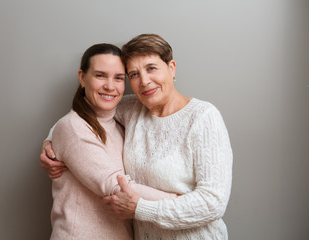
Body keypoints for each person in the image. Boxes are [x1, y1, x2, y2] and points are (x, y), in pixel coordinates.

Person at [42, 34, 233, 240]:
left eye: (151, 68)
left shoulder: (204, 117)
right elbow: (85, 117)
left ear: (171, 68)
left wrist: (142, 209)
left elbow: (213, 203)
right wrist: (52, 141)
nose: (144, 81)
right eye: (133, 74)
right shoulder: (133, 110)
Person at [47, 43, 177, 240]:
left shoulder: (120, 122)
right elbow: (116, 186)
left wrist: (50, 138)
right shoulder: (72, 127)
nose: (110, 86)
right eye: (100, 75)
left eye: (118, 78)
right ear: (82, 78)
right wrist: (182, 203)